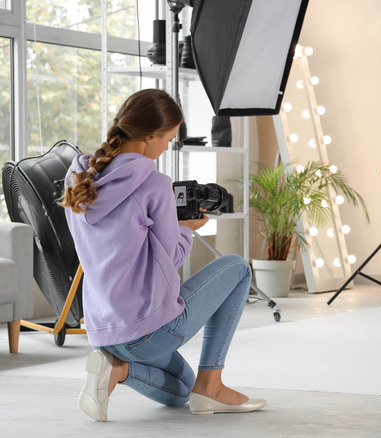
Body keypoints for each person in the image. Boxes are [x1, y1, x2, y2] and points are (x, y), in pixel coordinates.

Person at [60, 89, 264, 421]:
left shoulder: (79, 180)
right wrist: (186, 228)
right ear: (150, 136)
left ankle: (116, 370)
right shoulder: (153, 184)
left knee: (181, 392)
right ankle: (212, 383)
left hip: (104, 332)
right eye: (168, 139)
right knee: (238, 267)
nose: (166, 146)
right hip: (149, 332)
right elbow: (170, 261)